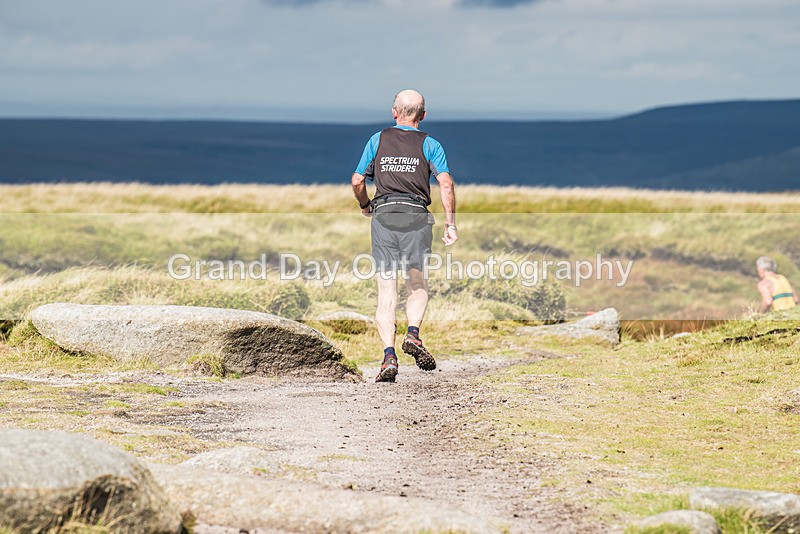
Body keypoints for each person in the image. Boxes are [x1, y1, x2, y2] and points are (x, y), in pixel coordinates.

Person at [351, 89, 457, 383]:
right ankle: (413, 335)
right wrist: (451, 224)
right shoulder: (431, 144)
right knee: (417, 282)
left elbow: (358, 179)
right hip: (416, 217)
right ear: (422, 116)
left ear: (394, 112)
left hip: (384, 217)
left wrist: (365, 206)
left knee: (386, 290)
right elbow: (445, 184)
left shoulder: (378, 140)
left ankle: (388, 356)